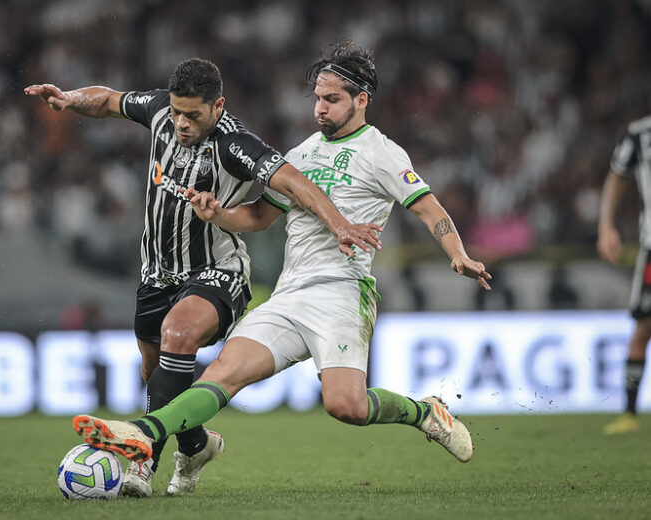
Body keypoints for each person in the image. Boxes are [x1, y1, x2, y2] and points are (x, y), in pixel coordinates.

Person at [72, 42, 491, 480]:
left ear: (361, 100)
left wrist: (458, 254)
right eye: (317, 99)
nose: (320, 110)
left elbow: (429, 208)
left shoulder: (381, 153)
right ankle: (142, 433)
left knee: (345, 406)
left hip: (342, 293)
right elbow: (256, 216)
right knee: (222, 374)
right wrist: (219, 215)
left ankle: (424, 412)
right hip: (289, 295)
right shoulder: (303, 153)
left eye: (332, 100)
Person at [25, 59, 381, 496]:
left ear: (218, 107)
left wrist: (340, 224)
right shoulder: (161, 111)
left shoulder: (236, 143)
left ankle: (144, 462)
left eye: (193, 115)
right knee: (157, 375)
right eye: (177, 112)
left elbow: (295, 182)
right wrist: (70, 99)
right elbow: (110, 101)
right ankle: (196, 445)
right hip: (156, 275)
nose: (181, 123)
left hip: (217, 271)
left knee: (179, 334)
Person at [597, 112, 651, 435]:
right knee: (643, 328)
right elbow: (616, 176)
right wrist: (606, 226)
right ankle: (629, 413)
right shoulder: (640, 134)